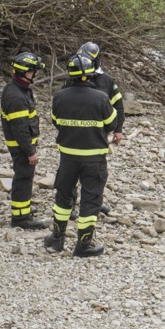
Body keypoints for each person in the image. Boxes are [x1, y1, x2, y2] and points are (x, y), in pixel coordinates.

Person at [43, 54, 118, 257]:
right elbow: (112, 123)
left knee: (64, 196)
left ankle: (56, 239)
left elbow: (56, 121)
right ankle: (83, 245)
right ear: (90, 75)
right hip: (94, 158)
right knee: (91, 199)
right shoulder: (101, 98)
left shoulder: (59, 97)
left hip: (67, 157)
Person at [67, 41, 124, 218]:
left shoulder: (106, 81)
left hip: (98, 137)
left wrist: (118, 130)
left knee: (97, 175)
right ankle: (70, 205)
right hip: (75, 136)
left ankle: (93, 204)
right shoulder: (72, 80)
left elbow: (118, 106)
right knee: (72, 175)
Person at [0, 51, 47, 230]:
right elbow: (20, 129)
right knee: (24, 178)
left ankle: (24, 209)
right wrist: (30, 152)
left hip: (21, 144)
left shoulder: (15, 89)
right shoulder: (17, 97)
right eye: (34, 71)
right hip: (21, 146)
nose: (35, 74)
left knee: (25, 177)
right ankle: (20, 218)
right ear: (27, 73)